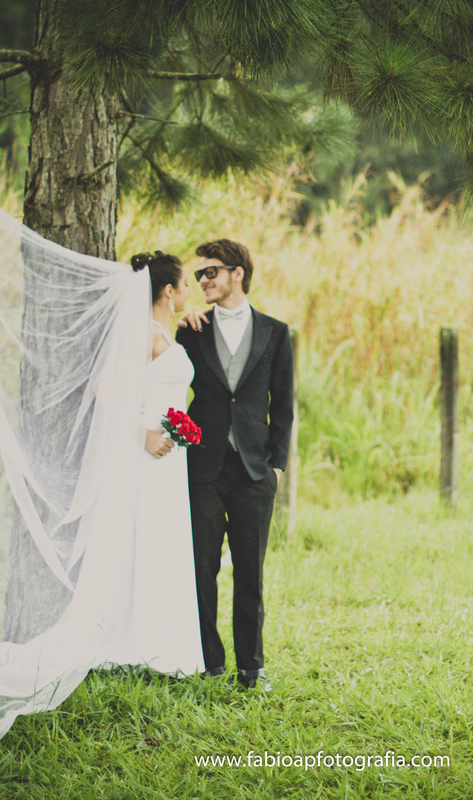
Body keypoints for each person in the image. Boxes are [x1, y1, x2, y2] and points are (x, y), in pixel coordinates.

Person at [176, 238, 294, 691]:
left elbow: (283, 405)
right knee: (201, 569)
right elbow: (167, 380)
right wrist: (176, 322)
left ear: (236, 274)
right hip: (202, 468)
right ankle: (210, 662)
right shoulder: (192, 330)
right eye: (199, 274)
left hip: (253, 472)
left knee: (251, 573)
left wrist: (277, 467)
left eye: (210, 272)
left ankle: (251, 668)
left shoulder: (274, 332)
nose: (202, 280)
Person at [99, 250, 204, 675]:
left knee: (163, 538)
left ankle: (159, 639)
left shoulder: (167, 330)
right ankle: (131, 640)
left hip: (169, 457)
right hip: (146, 452)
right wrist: (143, 434)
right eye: (183, 285)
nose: (188, 292)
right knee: (141, 536)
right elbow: (103, 387)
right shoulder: (144, 333)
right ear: (167, 290)